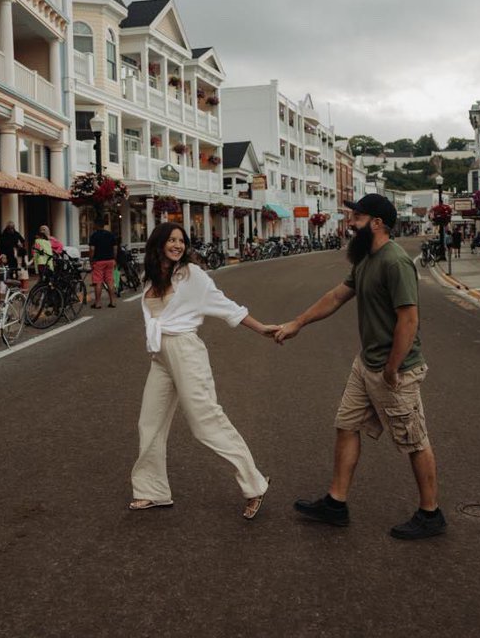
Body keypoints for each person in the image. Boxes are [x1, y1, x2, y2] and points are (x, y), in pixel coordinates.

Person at [274, 193, 444, 540]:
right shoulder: (367, 258)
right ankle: (336, 504)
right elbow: (337, 295)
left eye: (357, 218)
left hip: (394, 370)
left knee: (414, 440)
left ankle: (431, 513)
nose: (350, 223)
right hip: (366, 364)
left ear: (377, 223)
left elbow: (409, 320)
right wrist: (297, 323)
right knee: (346, 424)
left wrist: (392, 369)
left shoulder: (395, 262)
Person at [130, 222, 278, 519]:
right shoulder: (150, 276)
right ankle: (152, 490)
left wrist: (261, 328)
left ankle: (254, 483)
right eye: (171, 240)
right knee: (150, 422)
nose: (177, 245)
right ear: (158, 243)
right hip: (160, 355)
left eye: (181, 241)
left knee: (205, 421)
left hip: (185, 351)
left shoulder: (191, 275)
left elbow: (224, 305)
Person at [88, 216, 119, 309]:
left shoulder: (94, 236)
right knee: (110, 281)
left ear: (96, 225)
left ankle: (98, 303)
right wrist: (114, 259)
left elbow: (92, 249)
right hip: (110, 260)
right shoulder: (110, 235)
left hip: (99, 261)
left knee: (98, 282)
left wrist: (91, 260)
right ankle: (113, 302)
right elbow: (115, 249)